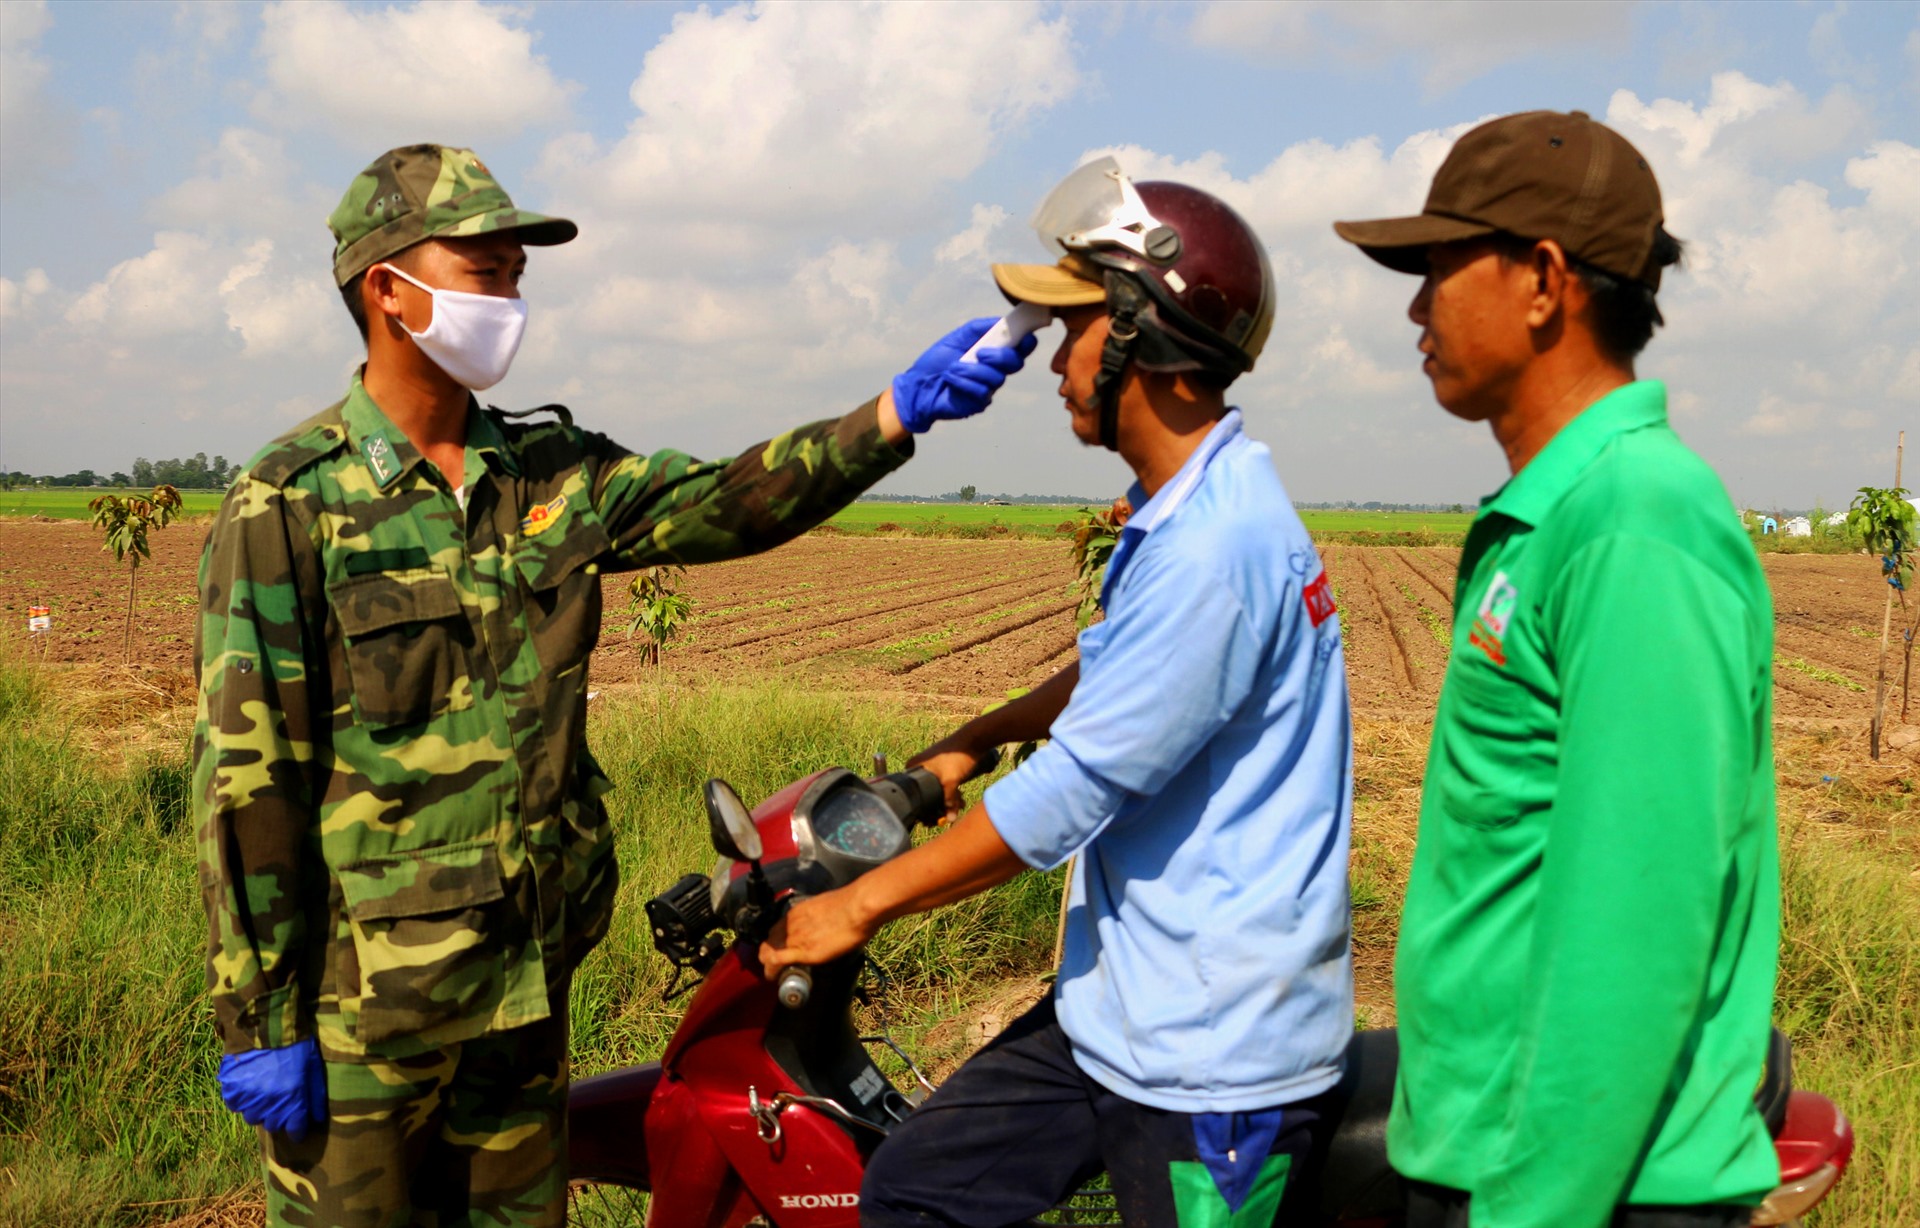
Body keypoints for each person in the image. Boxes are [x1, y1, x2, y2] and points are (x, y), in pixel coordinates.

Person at [193, 143, 1034, 1226]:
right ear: (388, 290)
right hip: (365, 1017)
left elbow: (729, 498)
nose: (508, 299)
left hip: (523, 988)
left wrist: (888, 418)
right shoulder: (289, 503)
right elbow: (248, 781)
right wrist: (262, 1018)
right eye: (483, 271)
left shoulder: (553, 476)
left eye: (516, 276)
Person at [762, 159, 1354, 1228]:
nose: (1053, 359)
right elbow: (1119, 665)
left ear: (1147, 338)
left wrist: (856, 905)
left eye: (1075, 323)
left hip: (1213, 1059)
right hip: (1126, 1004)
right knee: (917, 1189)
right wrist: (973, 741)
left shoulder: (1218, 548)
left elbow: (1069, 797)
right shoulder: (1194, 504)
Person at [1333, 111, 1780, 1228]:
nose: (1414, 308)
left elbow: (1634, 925)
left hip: (1582, 1187)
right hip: (1497, 1152)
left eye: (1438, 267)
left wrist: (1533, 1209)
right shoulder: (1557, 513)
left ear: (1543, 280)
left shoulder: (1636, 521)